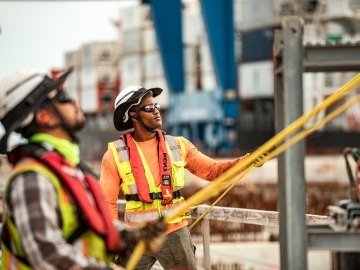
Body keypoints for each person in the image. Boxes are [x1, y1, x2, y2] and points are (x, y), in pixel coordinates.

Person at [0, 69, 166, 270]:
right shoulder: (33, 178)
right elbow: (47, 255)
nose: (74, 101)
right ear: (44, 116)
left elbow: (88, 223)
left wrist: (130, 236)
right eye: (64, 97)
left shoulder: (68, 167)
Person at [99, 85, 267, 269]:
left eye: (156, 106)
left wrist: (247, 161)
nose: (156, 111)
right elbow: (108, 203)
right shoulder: (114, 154)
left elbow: (212, 171)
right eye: (149, 108)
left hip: (174, 233)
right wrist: (113, 241)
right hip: (135, 236)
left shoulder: (179, 145)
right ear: (132, 115)